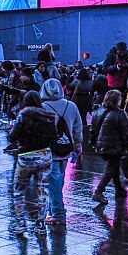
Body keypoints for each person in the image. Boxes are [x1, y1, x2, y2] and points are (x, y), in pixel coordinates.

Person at [7, 91, 58, 237]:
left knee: (19, 191)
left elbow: (12, 137)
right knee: (43, 190)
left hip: (26, 157)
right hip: (44, 156)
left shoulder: (23, 115)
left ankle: (20, 224)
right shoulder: (49, 117)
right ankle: (41, 224)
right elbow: (54, 137)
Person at [40, 78, 83, 228]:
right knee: (59, 180)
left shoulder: (42, 106)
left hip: (49, 150)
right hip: (66, 147)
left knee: (54, 182)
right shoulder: (71, 105)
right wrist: (78, 144)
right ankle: (54, 209)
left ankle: (58, 214)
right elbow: (78, 127)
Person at [89, 89, 128, 205]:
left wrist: (93, 143)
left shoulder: (99, 112)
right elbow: (126, 132)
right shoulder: (120, 114)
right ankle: (98, 191)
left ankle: (119, 189)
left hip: (101, 146)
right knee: (111, 168)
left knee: (113, 166)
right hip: (114, 146)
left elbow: (92, 130)